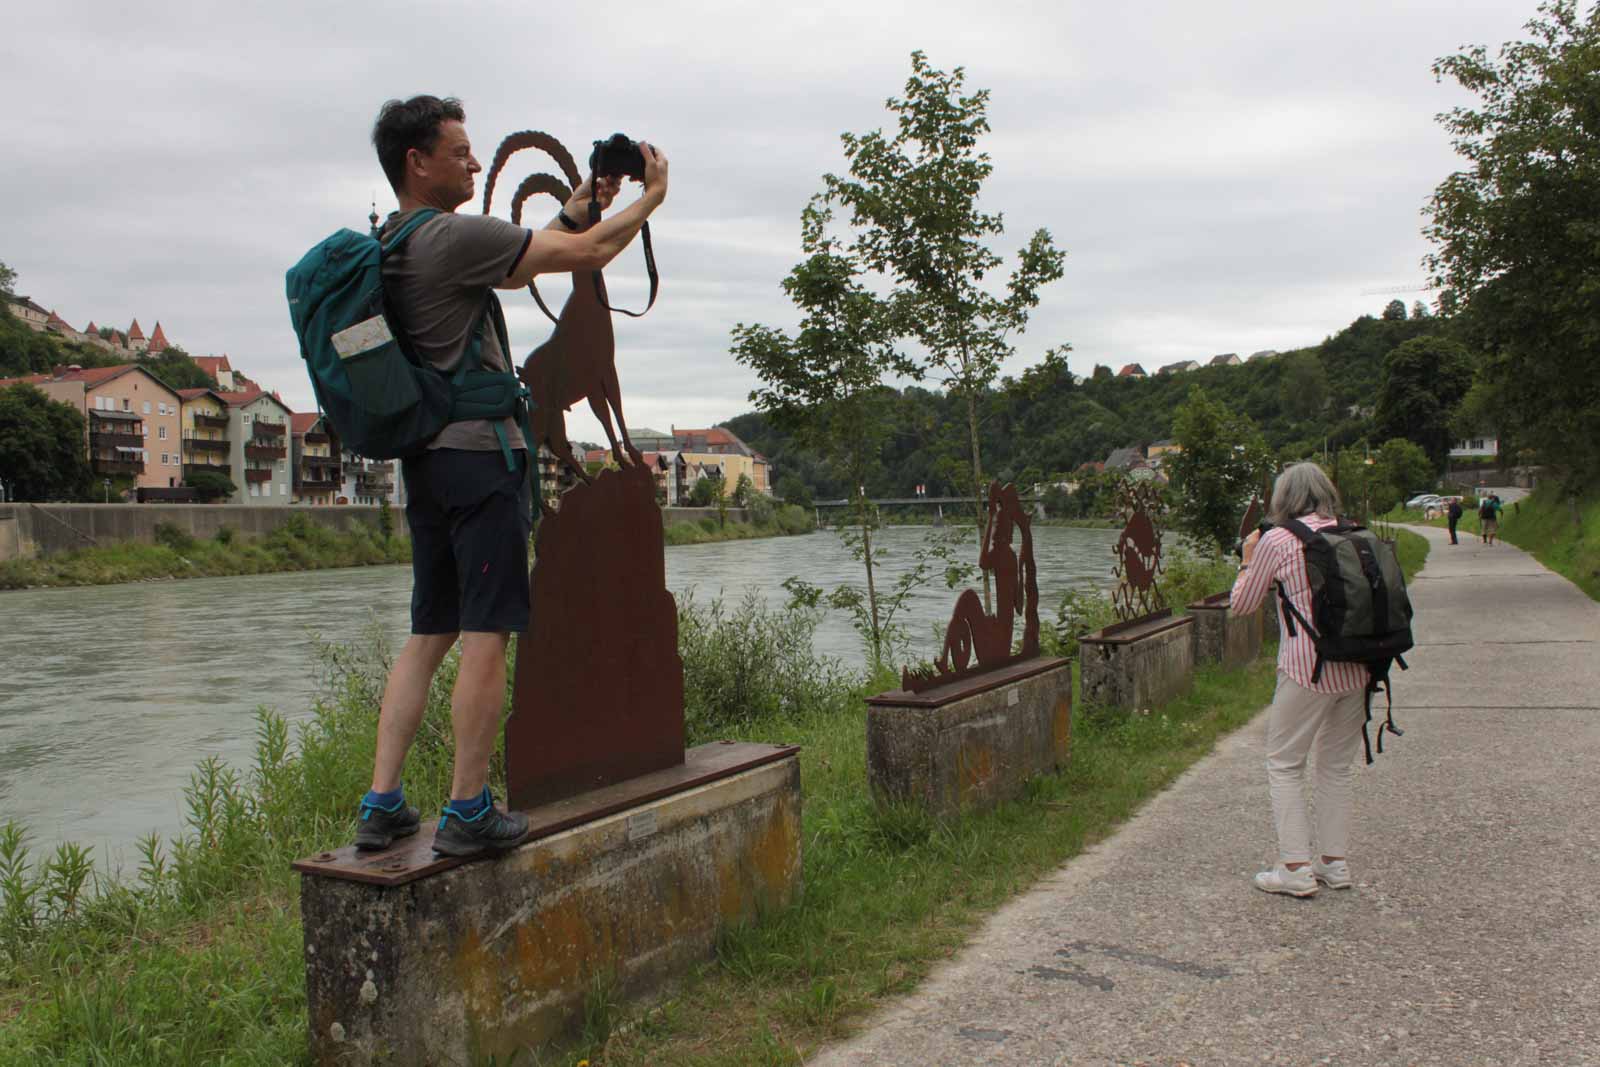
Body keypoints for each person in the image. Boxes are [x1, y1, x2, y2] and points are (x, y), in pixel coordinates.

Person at [353, 96, 668, 858]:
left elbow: (534, 247)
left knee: (429, 631)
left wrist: (573, 207)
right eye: (458, 151)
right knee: (486, 632)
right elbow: (588, 257)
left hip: (427, 461)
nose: (471, 161)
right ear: (415, 163)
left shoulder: (393, 242)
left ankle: (382, 802)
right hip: (478, 461)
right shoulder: (453, 237)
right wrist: (653, 198)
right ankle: (467, 809)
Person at [1231, 463, 1369, 897]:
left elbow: (1242, 605)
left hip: (1307, 668)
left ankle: (1295, 868)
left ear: (1283, 499)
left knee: (1285, 763)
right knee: (1336, 767)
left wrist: (1247, 559)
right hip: (1361, 666)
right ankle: (1334, 864)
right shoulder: (1354, 533)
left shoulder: (1279, 538)